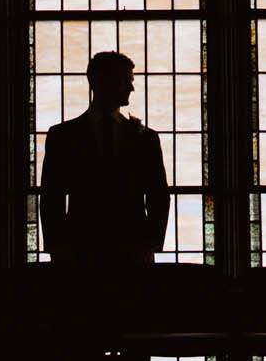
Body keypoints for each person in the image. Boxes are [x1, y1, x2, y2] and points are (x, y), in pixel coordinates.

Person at [39, 50, 171, 269]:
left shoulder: (64, 135)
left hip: (129, 250)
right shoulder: (63, 137)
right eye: (125, 81)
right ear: (102, 82)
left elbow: (159, 196)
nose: (132, 88)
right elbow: (51, 197)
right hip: (82, 250)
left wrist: (150, 244)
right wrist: (58, 248)